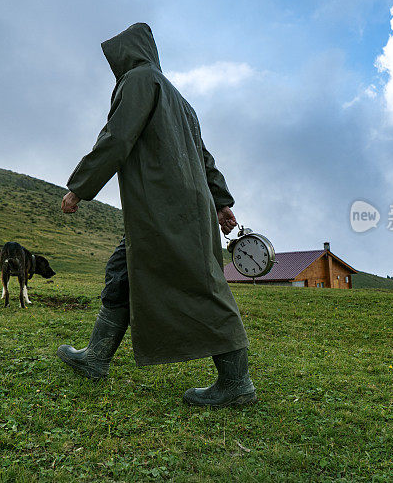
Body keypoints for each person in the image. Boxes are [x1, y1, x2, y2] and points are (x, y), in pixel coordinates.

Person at [57, 22, 256, 408]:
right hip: (187, 210)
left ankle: (237, 383)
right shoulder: (179, 98)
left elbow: (117, 136)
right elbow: (204, 157)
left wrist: (80, 187)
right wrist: (220, 202)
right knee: (124, 268)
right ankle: (96, 357)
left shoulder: (139, 79)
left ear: (127, 53)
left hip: (164, 208)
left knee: (204, 287)